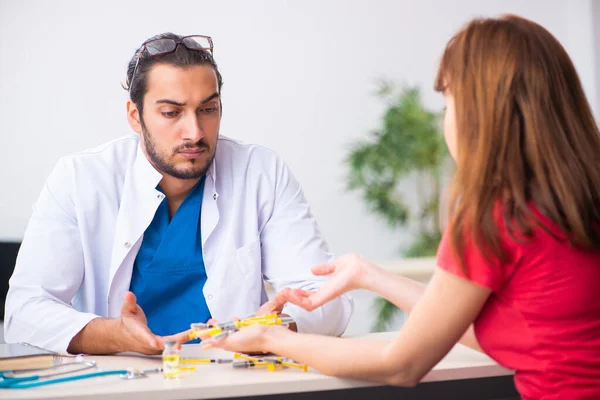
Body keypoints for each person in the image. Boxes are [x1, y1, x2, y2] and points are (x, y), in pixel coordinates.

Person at [205, 15, 600, 399]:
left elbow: (400, 364)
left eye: (449, 105)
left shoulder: (498, 217)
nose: (447, 122)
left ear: (482, 114)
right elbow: (512, 331)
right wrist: (369, 275)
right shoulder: (575, 201)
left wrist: (269, 336)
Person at [4, 33, 352, 355]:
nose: (195, 132)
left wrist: (273, 328)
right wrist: (114, 334)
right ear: (135, 116)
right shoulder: (80, 179)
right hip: (120, 384)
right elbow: (25, 311)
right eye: (171, 112)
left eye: (208, 109)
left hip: (234, 381)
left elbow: (329, 299)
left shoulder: (260, 172)